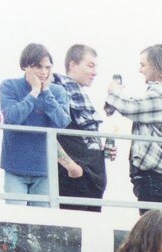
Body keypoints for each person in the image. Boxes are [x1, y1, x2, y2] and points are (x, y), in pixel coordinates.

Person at [105, 44, 162, 211]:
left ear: (156, 65)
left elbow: (132, 107)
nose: (140, 70)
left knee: (151, 230)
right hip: (156, 174)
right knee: (153, 227)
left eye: (143, 65)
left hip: (155, 174)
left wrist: (114, 92)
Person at [0, 43, 71, 206]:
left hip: (45, 169)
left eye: (48, 67)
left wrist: (46, 92)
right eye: (38, 66)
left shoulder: (58, 91)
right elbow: (11, 118)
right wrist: (34, 92)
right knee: (16, 219)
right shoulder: (9, 86)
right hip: (15, 168)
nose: (44, 72)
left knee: (42, 224)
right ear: (25, 66)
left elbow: (62, 122)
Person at [54, 44, 109, 212]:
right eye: (90, 65)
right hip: (74, 179)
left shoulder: (81, 96)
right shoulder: (58, 92)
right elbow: (50, 135)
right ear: (72, 65)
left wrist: (103, 149)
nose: (95, 72)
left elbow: (86, 137)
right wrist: (72, 167)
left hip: (93, 179)